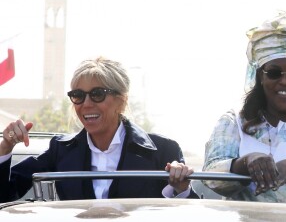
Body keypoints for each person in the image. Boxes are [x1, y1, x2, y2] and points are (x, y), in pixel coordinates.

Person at [0, 56, 198, 202]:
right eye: (78, 95)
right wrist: (5, 147)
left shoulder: (164, 151)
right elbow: (4, 195)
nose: (86, 104)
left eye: (97, 94)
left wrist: (182, 188)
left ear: (121, 101)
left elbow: (193, 212)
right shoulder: (60, 150)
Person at [202, 11, 286, 203]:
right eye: (274, 73)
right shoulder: (234, 121)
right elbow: (211, 177)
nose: (285, 81)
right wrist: (246, 162)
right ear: (260, 77)